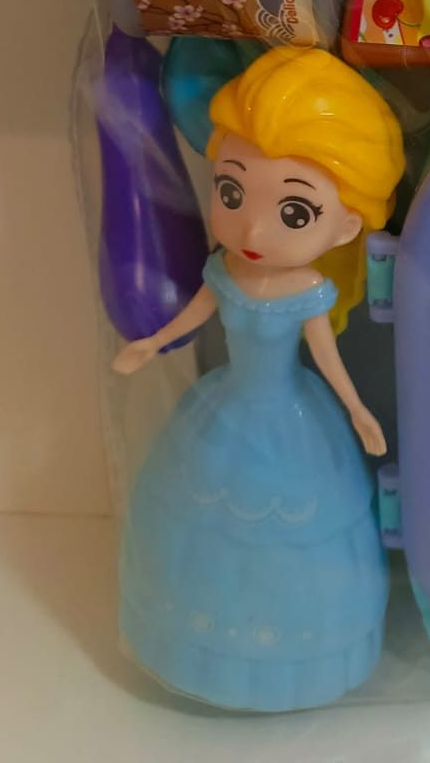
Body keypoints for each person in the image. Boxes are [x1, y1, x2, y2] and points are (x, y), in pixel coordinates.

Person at [112, 46, 405, 711]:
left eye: (294, 213)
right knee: (203, 533)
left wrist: (358, 411)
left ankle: (293, 662)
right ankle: (193, 650)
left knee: (291, 536)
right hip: (223, 411)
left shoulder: (307, 292)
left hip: (293, 420)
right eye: (231, 191)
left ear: (347, 225)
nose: (250, 226)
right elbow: (193, 315)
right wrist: (150, 345)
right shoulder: (225, 273)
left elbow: (327, 357)